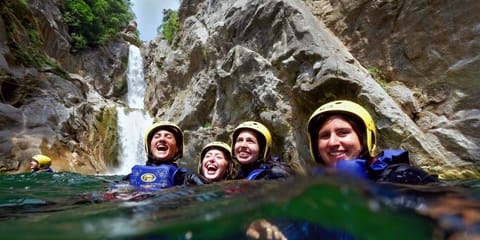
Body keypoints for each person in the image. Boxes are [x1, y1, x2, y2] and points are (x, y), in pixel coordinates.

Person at [307, 100, 439, 184]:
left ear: (364, 139)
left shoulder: (402, 177)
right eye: (324, 135)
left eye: (343, 133)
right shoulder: (311, 191)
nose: (332, 142)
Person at [123, 121, 202, 191]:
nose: (162, 139)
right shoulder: (130, 177)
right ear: (150, 147)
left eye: (168, 137)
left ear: (177, 148)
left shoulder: (184, 178)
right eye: (157, 137)